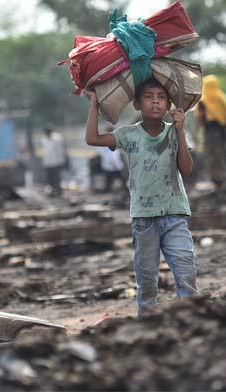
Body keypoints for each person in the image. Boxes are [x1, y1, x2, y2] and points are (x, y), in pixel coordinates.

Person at [85, 78, 197, 316]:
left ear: (168, 105)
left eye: (161, 97)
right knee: (147, 282)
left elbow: (186, 170)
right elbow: (92, 139)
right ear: (136, 104)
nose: (155, 101)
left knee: (186, 272)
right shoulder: (128, 135)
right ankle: (148, 328)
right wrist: (94, 104)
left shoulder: (176, 132)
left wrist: (179, 130)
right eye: (148, 96)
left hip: (175, 214)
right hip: (144, 219)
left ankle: (191, 321)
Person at [193, 75, 226, 188]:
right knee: (220, 153)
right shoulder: (223, 98)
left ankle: (216, 179)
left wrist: (195, 133)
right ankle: (221, 177)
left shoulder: (203, 100)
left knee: (211, 154)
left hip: (210, 131)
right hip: (221, 131)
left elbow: (198, 118)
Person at [40, 127, 67, 196]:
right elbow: (45, 152)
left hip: (56, 162)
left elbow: (61, 151)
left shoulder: (57, 138)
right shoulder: (44, 139)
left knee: (56, 178)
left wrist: (61, 161)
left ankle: (59, 191)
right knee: (50, 178)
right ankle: (52, 191)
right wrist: (44, 162)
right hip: (48, 162)